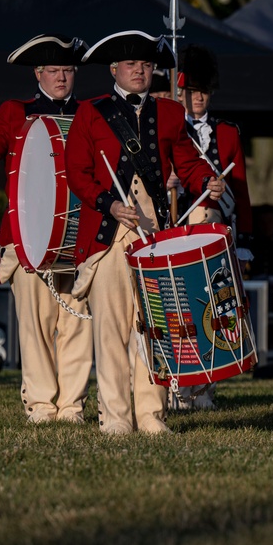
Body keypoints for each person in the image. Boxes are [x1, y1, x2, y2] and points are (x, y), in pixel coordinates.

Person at [65, 30, 226, 435]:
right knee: (112, 330)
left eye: (147, 65)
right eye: (132, 65)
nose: (140, 70)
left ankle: (152, 416)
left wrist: (209, 179)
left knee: (156, 330)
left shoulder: (170, 113)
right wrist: (110, 204)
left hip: (155, 238)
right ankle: (116, 419)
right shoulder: (91, 112)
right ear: (115, 70)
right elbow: (77, 175)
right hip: (108, 236)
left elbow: (189, 163)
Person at [0, 34, 94, 423]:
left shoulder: (91, 113)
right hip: (26, 239)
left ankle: (72, 406)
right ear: (38, 73)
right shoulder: (16, 112)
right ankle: (42, 405)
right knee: (36, 326)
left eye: (67, 70)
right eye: (53, 70)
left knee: (77, 325)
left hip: (80, 241)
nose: (61, 77)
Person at [166, 43, 253, 409]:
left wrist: (244, 242)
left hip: (212, 235)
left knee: (213, 309)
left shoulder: (229, 133)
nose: (197, 98)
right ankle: (176, 386)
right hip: (173, 229)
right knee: (176, 309)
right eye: (190, 91)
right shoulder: (166, 129)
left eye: (202, 92)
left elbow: (242, 191)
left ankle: (204, 389)